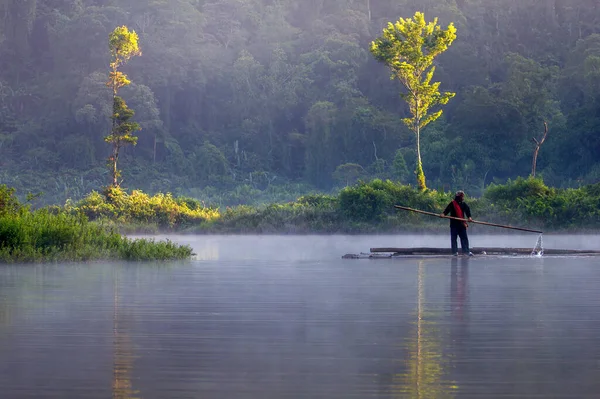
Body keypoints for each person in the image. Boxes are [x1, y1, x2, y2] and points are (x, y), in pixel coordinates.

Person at [441, 191, 474, 256]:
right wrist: (443, 214)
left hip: (462, 224)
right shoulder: (452, 204)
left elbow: (467, 210)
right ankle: (454, 252)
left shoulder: (463, 204)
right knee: (454, 238)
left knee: (464, 238)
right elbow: (447, 210)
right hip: (454, 224)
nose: (463, 198)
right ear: (458, 197)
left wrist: (469, 217)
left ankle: (466, 251)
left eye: (462, 196)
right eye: (461, 196)